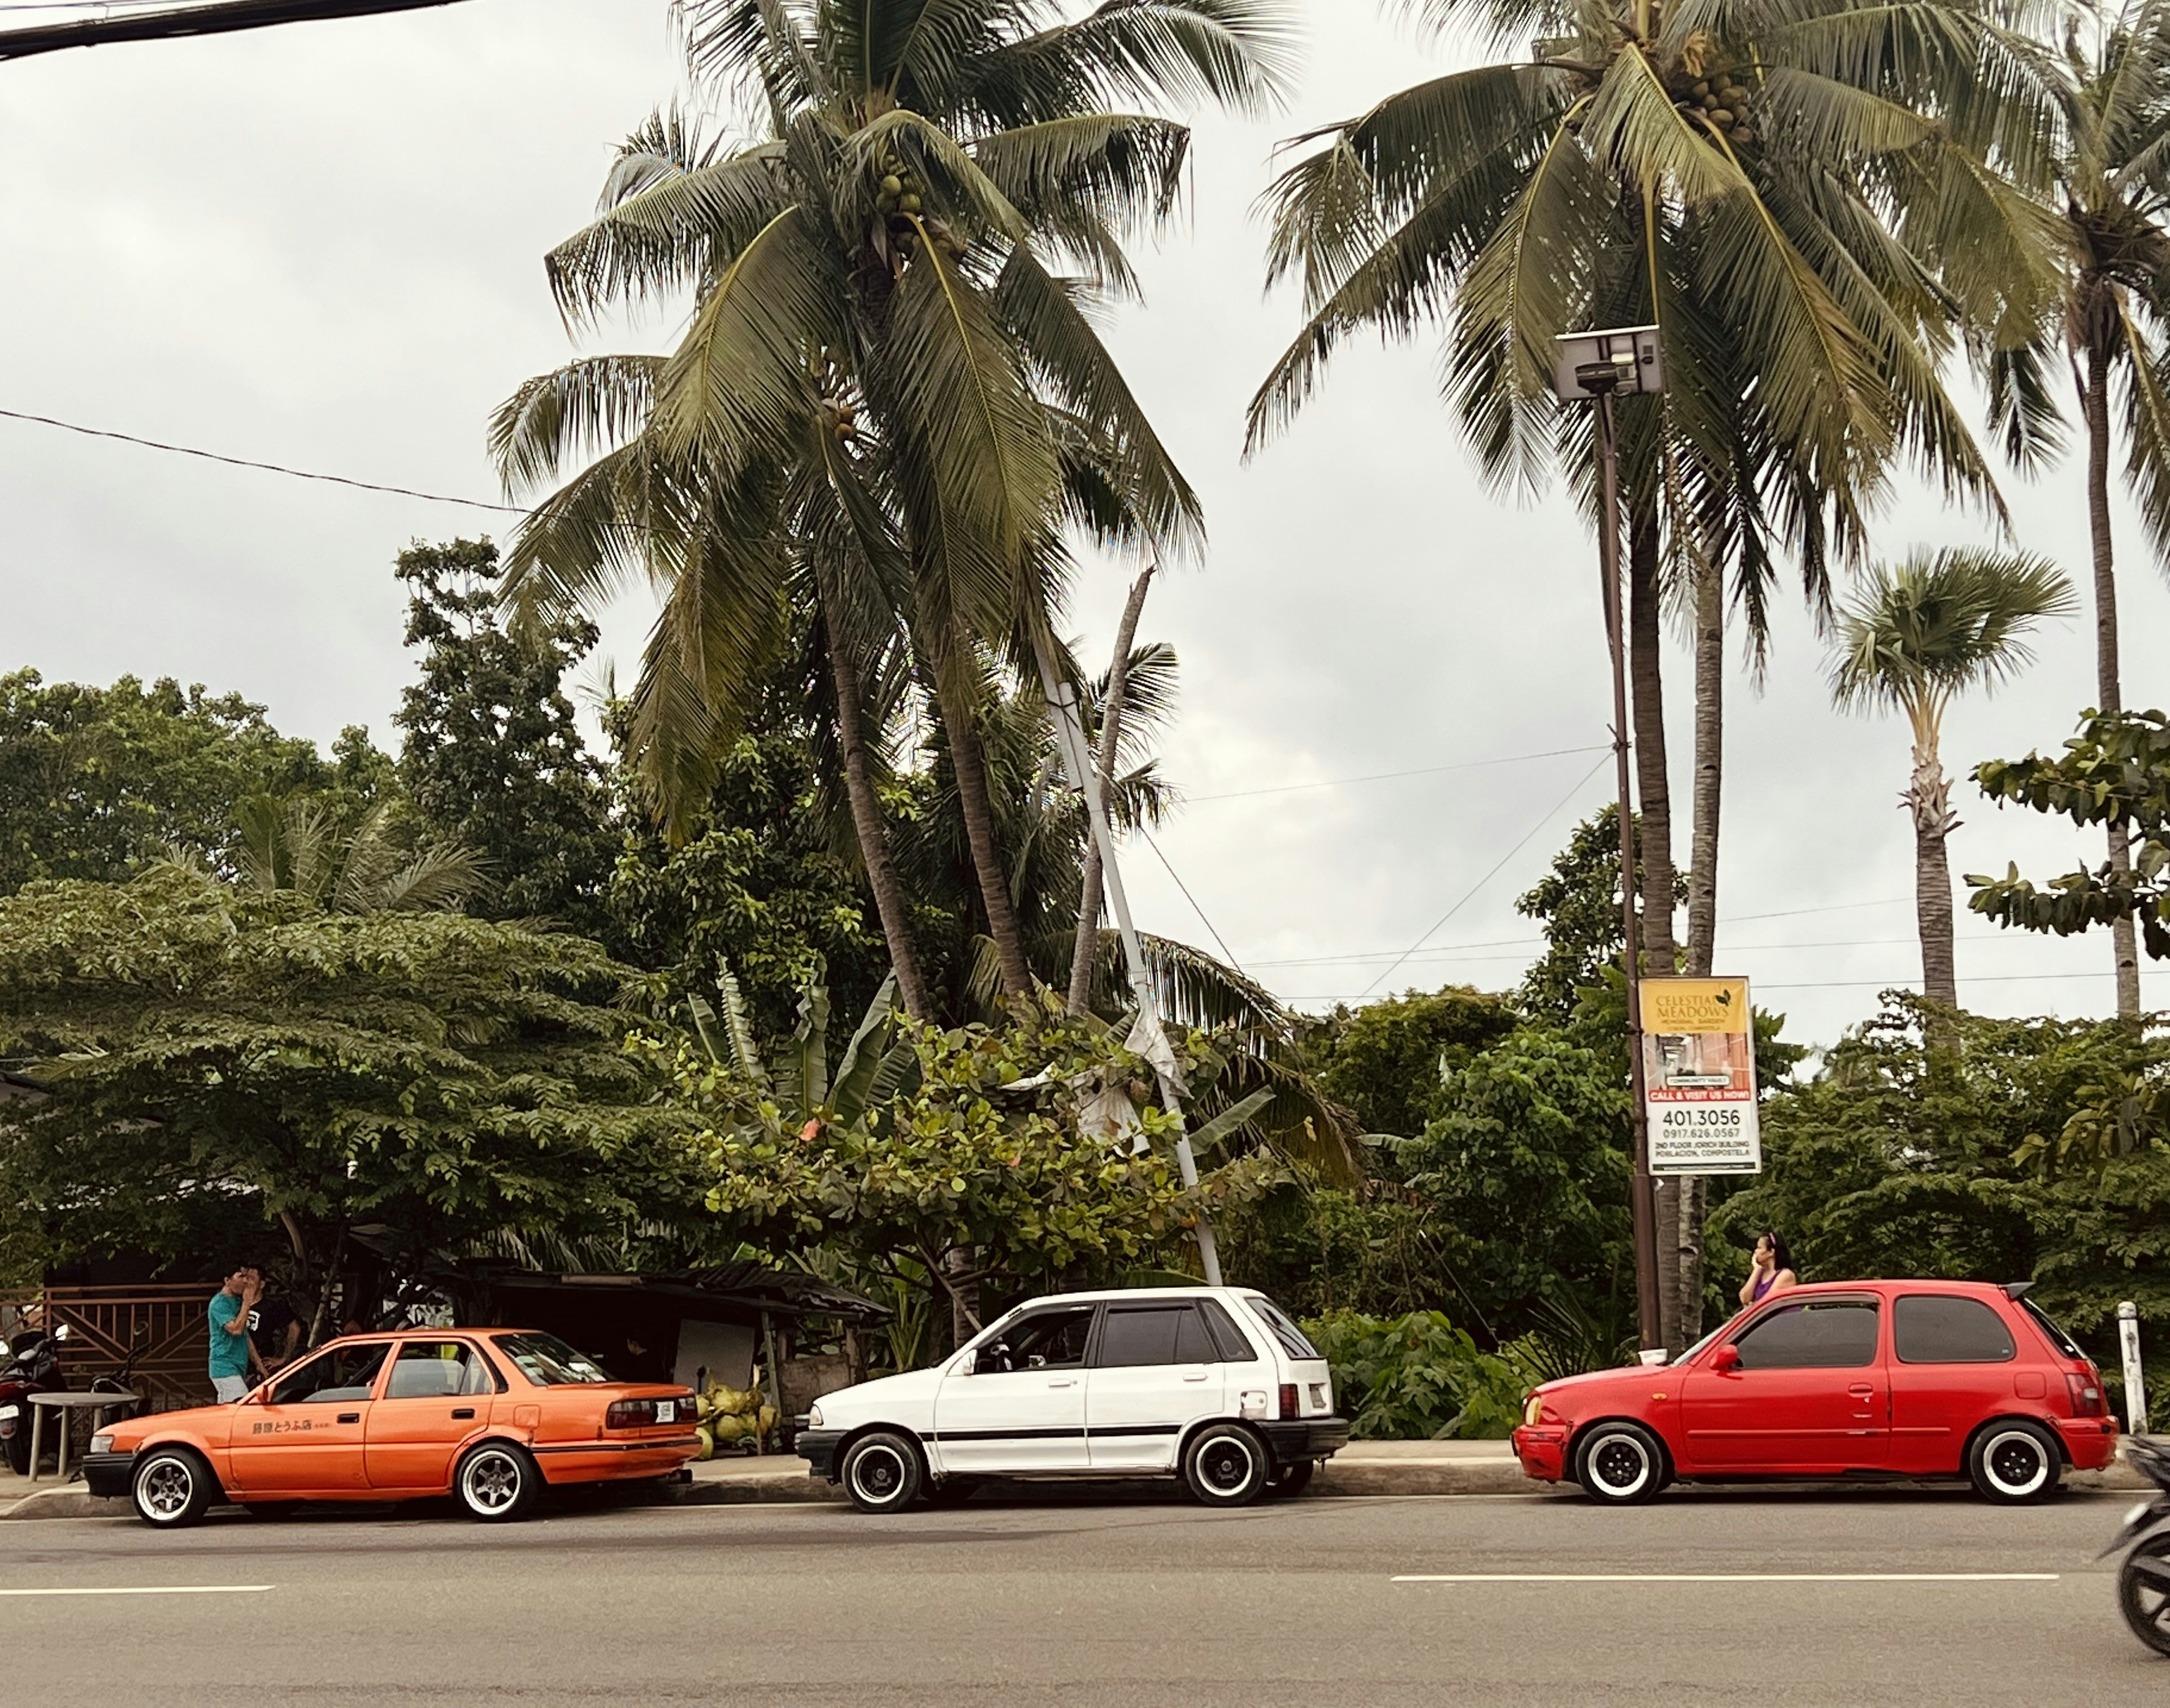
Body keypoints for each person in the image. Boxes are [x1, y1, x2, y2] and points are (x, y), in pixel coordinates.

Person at [207, 1265, 261, 1402]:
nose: (245, 1281)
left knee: (229, 1410)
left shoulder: (237, 1302)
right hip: (224, 1366)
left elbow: (245, 1336)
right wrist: (247, 1302)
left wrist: (259, 1365)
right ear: (227, 1281)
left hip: (238, 1366)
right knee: (244, 1405)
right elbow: (236, 1330)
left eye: (246, 1277)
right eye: (241, 1277)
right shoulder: (219, 1304)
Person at [246, 1287, 302, 1379]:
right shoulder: (234, 1304)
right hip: (236, 1365)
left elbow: (294, 1328)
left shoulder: (272, 1306)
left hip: (264, 1363)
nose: (247, 1282)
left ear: (262, 1284)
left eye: (251, 1279)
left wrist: (284, 1358)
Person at [1739, 1231, 1798, 1306]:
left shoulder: (1786, 1275)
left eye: (1759, 1248)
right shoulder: (1760, 1274)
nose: (1756, 1251)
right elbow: (1744, 1299)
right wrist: (1757, 1270)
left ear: (1771, 1252)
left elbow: (1768, 1303)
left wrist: (1753, 1305)